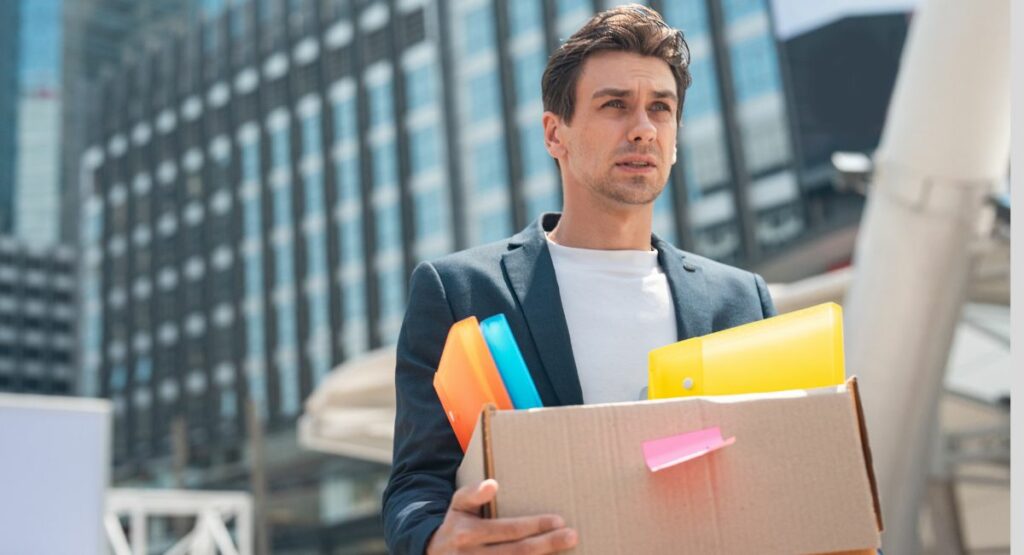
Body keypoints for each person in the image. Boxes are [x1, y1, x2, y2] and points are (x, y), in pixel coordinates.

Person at [383, 5, 776, 554]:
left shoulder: (742, 301)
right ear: (554, 133)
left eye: (660, 110)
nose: (642, 129)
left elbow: (786, 464)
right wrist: (433, 540)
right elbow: (417, 484)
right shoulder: (459, 293)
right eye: (615, 105)